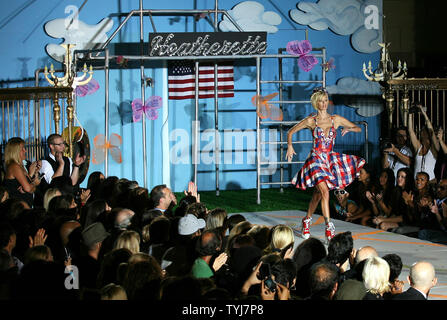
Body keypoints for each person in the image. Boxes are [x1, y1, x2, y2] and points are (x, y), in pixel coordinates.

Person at [286, 87, 365, 242]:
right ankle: (329, 227)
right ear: (316, 102)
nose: (323, 103)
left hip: (329, 160)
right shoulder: (311, 121)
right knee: (325, 193)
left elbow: (358, 128)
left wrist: (349, 129)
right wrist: (290, 145)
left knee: (318, 195)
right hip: (315, 159)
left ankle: (306, 220)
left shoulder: (335, 119)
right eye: (320, 101)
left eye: (325, 100)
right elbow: (291, 132)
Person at [2, 137, 42, 207]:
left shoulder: (21, 166)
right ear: (15, 151)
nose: (25, 151)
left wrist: (32, 174)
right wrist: (35, 183)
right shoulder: (14, 166)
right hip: (18, 208)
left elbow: (29, 188)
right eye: (22, 149)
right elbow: (29, 188)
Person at [408, 105, 437, 182]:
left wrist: (423, 113)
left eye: (423, 130)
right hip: (417, 183)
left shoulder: (433, 149)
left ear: (428, 134)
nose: (421, 131)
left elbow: (432, 131)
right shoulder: (419, 147)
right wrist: (410, 113)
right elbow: (410, 131)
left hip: (430, 183)